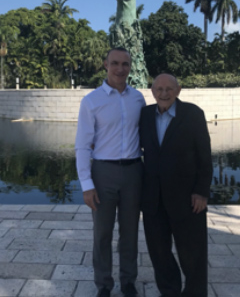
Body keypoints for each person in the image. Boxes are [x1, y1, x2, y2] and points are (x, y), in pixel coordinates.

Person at [75, 47, 145, 297]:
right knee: (102, 233)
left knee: (130, 233)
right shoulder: (91, 100)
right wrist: (86, 184)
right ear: (105, 65)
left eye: (125, 64)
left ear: (130, 66)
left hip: (134, 172)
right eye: (115, 63)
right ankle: (104, 284)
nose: (120, 69)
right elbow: (83, 144)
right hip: (103, 172)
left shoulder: (138, 98)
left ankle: (128, 281)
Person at [139, 74, 213, 297]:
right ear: (152, 91)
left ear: (178, 90)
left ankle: (194, 293)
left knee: (193, 254)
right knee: (159, 253)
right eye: (159, 89)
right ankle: (169, 291)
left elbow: (205, 156)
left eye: (169, 89)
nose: (164, 93)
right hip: (153, 199)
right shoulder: (144, 115)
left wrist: (201, 192)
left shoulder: (193, 114)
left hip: (187, 199)